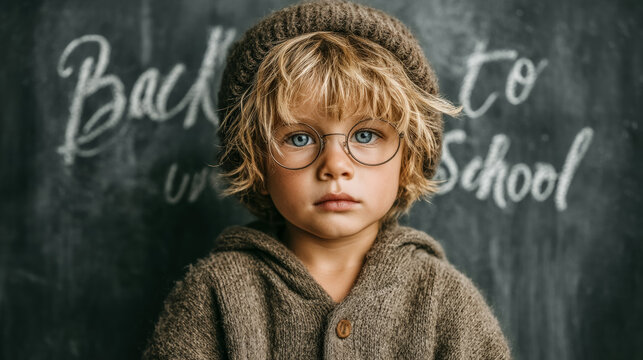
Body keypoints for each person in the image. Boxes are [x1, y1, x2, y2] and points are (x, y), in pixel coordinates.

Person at [143, 0, 512, 358]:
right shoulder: (213, 294)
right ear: (254, 158)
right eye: (299, 138)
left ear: (409, 154)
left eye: (366, 135)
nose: (335, 165)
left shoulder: (446, 301)